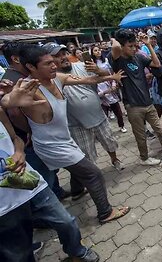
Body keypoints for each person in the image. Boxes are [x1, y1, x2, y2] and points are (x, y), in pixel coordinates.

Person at [14, 45, 130, 224]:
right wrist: (26, 126)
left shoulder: (57, 78)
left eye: (54, 62)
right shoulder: (27, 88)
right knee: (93, 174)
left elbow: (88, 80)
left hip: (64, 140)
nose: (54, 66)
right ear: (31, 67)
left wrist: (110, 77)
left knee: (79, 166)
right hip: (51, 147)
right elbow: (9, 104)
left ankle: (76, 192)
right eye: (48, 64)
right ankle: (105, 212)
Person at [0, 98, 100, 262]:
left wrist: (19, 152)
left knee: (66, 221)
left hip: (29, 183)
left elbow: (15, 139)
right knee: (19, 254)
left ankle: (76, 251)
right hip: (4, 206)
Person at [1, 42, 69, 200]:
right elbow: (14, 113)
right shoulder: (13, 80)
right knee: (43, 175)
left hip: (36, 136)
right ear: (17, 59)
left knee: (50, 171)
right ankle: (49, 207)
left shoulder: (22, 76)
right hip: (27, 140)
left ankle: (57, 193)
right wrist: (31, 130)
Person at [42, 43, 124, 172]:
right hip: (76, 123)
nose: (63, 57)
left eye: (64, 54)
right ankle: (93, 173)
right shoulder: (51, 78)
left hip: (98, 115)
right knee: (86, 152)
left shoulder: (81, 66)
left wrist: (98, 70)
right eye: (57, 56)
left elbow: (103, 75)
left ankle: (115, 160)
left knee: (109, 141)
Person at [108, 29, 162, 167]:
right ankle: (144, 158)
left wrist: (148, 45)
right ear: (122, 46)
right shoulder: (117, 60)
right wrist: (116, 39)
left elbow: (157, 64)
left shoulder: (139, 57)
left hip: (148, 103)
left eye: (134, 45)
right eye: (129, 46)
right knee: (141, 136)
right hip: (132, 106)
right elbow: (115, 47)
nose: (133, 48)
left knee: (160, 131)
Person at [91, 46, 127, 133]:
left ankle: (121, 125)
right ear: (92, 53)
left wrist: (114, 84)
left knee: (117, 110)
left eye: (98, 50)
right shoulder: (91, 64)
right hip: (99, 88)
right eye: (95, 50)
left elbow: (112, 73)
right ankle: (106, 130)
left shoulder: (106, 61)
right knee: (104, 113)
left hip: (109, 86)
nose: (98, 52)